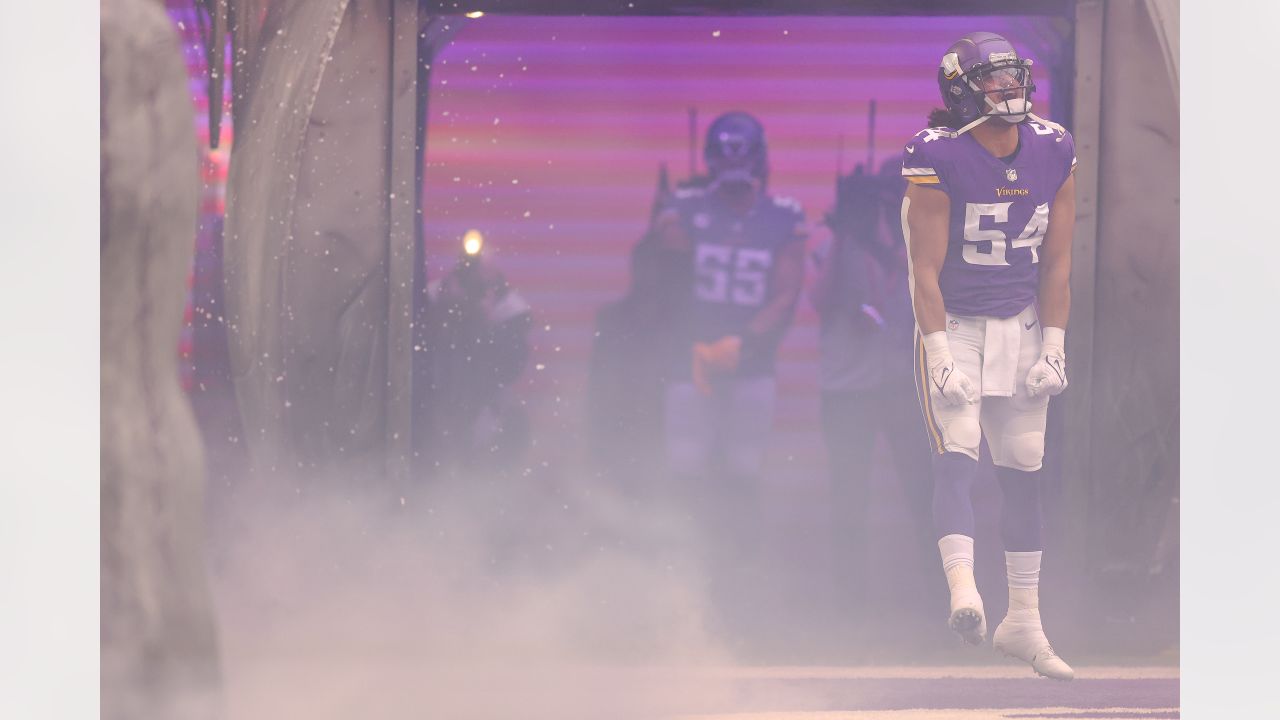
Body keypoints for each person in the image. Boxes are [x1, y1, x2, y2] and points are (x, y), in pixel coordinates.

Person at [900, 32, 1076, 680]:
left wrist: (1054, 343)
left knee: (1025, 464)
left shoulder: (1055, 146)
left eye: (1013, 78)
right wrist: (939, 349)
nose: (1010, 90)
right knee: (959, 446)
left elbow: (1058, 259)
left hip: (1022, 320)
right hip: (959, 320)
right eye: (994, 81)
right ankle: (964, 591)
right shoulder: (937, 155)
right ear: (962, 90)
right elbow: (924, 269)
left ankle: (1024, 621)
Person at [650, 111, 806, 590]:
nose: (734, 165)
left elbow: (787, 290)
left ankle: (738, 575)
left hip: (749, 360)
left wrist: (746, 340)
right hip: (692, 357)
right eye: (726, 154)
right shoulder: (684, 208)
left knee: (741, 468)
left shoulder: (783, 214)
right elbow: (665, 282)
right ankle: (679, 573)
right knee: (685, 465)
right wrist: (699, 339)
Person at [811, 163, 936, 618]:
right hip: (847, 390)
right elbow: (820, 302)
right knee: (849, 499)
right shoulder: (832, 244)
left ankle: (944, 607)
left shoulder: (916, 245)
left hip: (900, 385)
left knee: (924, 496)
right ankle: (850, 610)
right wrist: (846, 236)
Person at [417, 230, 533, 478]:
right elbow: (418, 346)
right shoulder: (437, 296)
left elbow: (511, 366)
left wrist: (486, 323)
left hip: (487, 402)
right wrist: (445, 315)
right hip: (439, 398)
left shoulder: (510, 309)